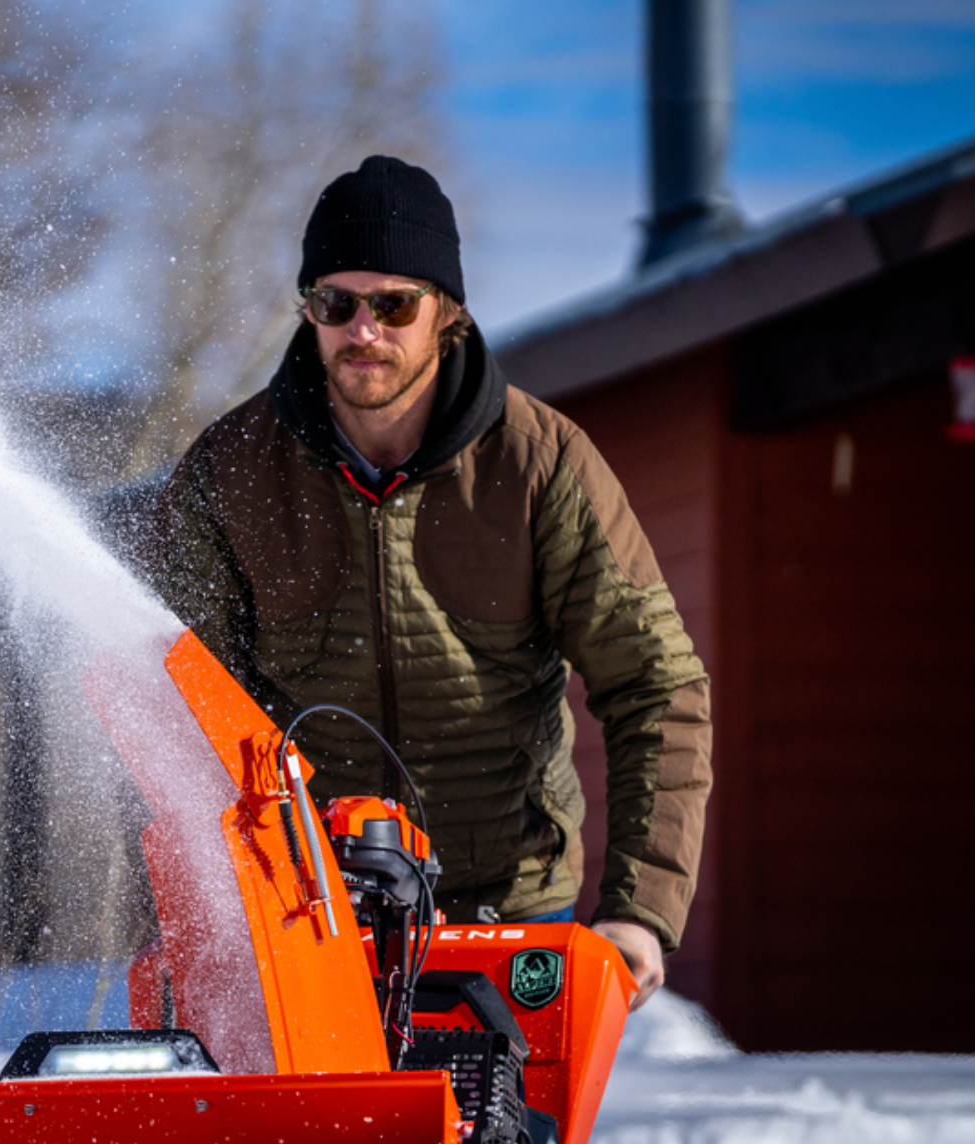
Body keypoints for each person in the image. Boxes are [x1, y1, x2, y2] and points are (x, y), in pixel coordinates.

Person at [143, 156, 710, 1009]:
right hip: (313, 916)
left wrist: (639, 913)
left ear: (445, 314)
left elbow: (656, 685)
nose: (362, 331)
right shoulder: (233, 474)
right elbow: (179, 722)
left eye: (393, 304)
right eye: (337, 304)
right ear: (309, 313)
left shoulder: (540, 465)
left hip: (510, 903)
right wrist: (195, 918)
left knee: (506, 1141)